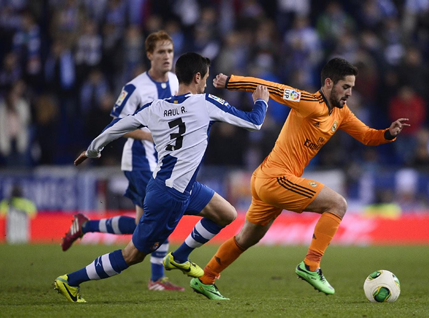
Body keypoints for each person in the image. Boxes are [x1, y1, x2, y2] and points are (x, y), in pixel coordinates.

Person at [53, 52, 269, 303]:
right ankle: (71, 281)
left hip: (182, 188)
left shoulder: (156, 107)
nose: (207, 84)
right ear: (197, 77)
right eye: (206, 78)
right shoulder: (205, 102)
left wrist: (92, 150)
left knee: (227, 214)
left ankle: (179, 257)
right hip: (170, 197)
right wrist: (261, 101)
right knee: (132, 255)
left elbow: (117, 126)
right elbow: (254, 122)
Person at [187, 57, 409, 300]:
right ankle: (311, 265)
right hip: (275, 178)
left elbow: (367, 136)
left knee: (246, 238)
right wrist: (232, 82)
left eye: (352, 88)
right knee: (337, 204)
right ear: (328, 83)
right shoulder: (309, 102)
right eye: (345, 87)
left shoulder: (341, 113)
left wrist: (388, 134)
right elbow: (272, 88)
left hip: (266, 178)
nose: (349, 93)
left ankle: (206, 278)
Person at [60, 30, 184, 291]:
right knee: (160, 215)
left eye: (170, 51)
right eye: (161, 51)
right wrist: (150, 136)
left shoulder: (175, 82)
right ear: (149, 54)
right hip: (138, 161)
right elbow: (117, 124)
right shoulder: (135, 87)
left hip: (160, 161)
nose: (166, 56)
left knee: (144, 224)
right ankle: (156, 278)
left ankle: (86, 225)